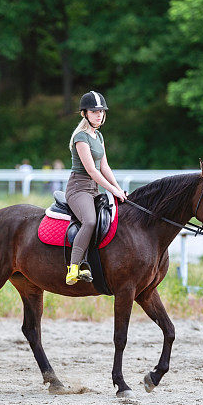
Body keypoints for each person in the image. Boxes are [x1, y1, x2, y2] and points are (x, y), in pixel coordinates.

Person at [65, 90, 127, 285]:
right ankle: (73, 267)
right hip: (78, 188)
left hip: (94, 190)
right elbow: (92, 170)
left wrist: (119, 189)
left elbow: (104, 166)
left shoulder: (98, 136)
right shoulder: (81, 137)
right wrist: (112, 190)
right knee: (90, 221)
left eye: (101, 111)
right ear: (85, 113)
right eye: (94, 111)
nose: (99, 115)